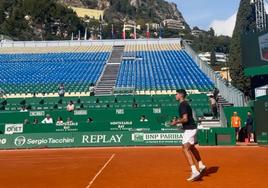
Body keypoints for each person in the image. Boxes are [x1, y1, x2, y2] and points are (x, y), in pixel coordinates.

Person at [171, 89, 206, 182]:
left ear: (181, 95)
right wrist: (180, 120)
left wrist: (176, 122)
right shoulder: (185, 104)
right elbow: (186, 118)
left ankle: (194, 171)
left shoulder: (182, 105)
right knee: (192, 147)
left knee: (185, 148)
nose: (175, 95)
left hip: (190, 129)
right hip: (192, 128)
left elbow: (185, 119)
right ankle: (201, 165)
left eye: (176, 94)